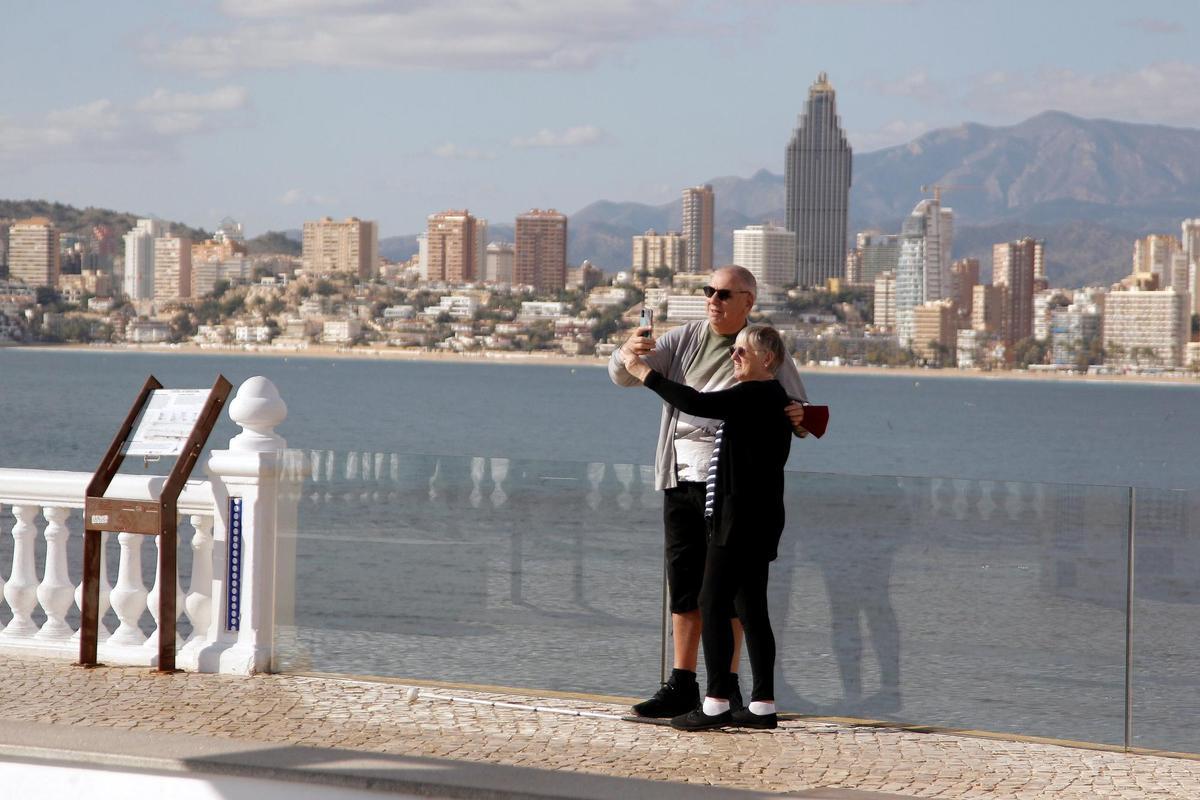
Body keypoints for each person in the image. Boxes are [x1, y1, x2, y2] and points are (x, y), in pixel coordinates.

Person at [608, 265, 808, 719]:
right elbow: (621, 376)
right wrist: (626, 353)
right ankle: (684, 684)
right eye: (708, 291)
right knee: (686, 586)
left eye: (723, 294)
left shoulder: (762, 348)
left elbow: (797, 407)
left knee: (728, 594)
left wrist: (799, 417)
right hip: (680, 478)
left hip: (729, 488)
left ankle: (726, 692)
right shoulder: (685, 338)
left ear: (747, 302)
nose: (713, 300)